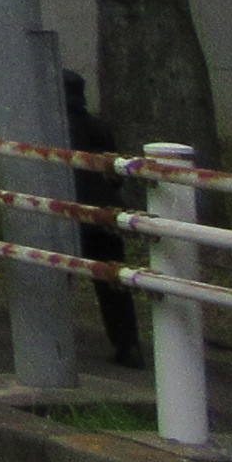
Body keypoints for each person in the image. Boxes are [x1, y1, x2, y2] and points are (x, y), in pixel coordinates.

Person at [59, 70, 146, 370]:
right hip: (106, 210)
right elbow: (114, 175)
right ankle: (127, 344)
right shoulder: (98, 127)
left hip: (67, 209)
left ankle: (54, 344)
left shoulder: (52, 128)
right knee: (112, 279)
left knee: (56, 273)